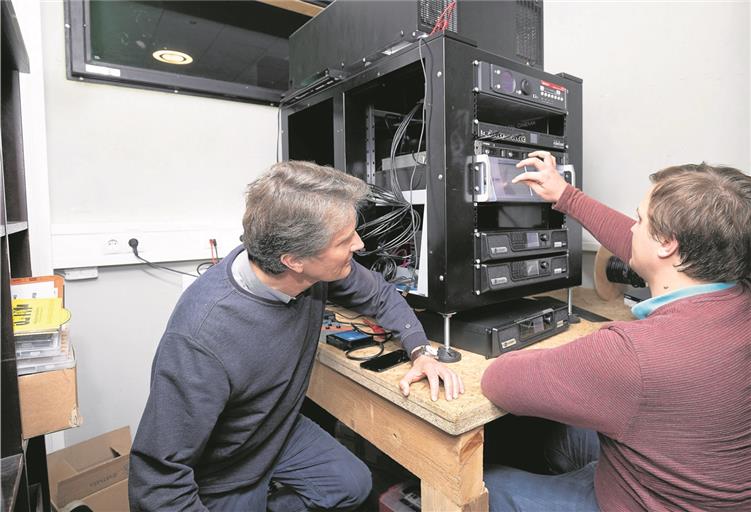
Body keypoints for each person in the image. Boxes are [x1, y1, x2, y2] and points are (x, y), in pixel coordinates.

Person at [129, 161, 464, 512]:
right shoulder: (201, 337)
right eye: (345, 240)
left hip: (276, 431)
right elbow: (157, 484)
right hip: (223, 472)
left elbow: (379, 294)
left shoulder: (318, 273)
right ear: (294, 260)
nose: (360, 244)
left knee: (353, 484)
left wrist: (421, 351)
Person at [481, 153, 751, 512]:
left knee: (488, 484)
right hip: (696, 490)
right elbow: (642, 249)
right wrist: (566, 195)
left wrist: (571, 354)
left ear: (668, 243)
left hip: (637, 504)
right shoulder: (739, 294)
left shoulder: (632, 355)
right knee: (561, 434)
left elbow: (498, 381)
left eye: (639, 219)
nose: (632, 228)